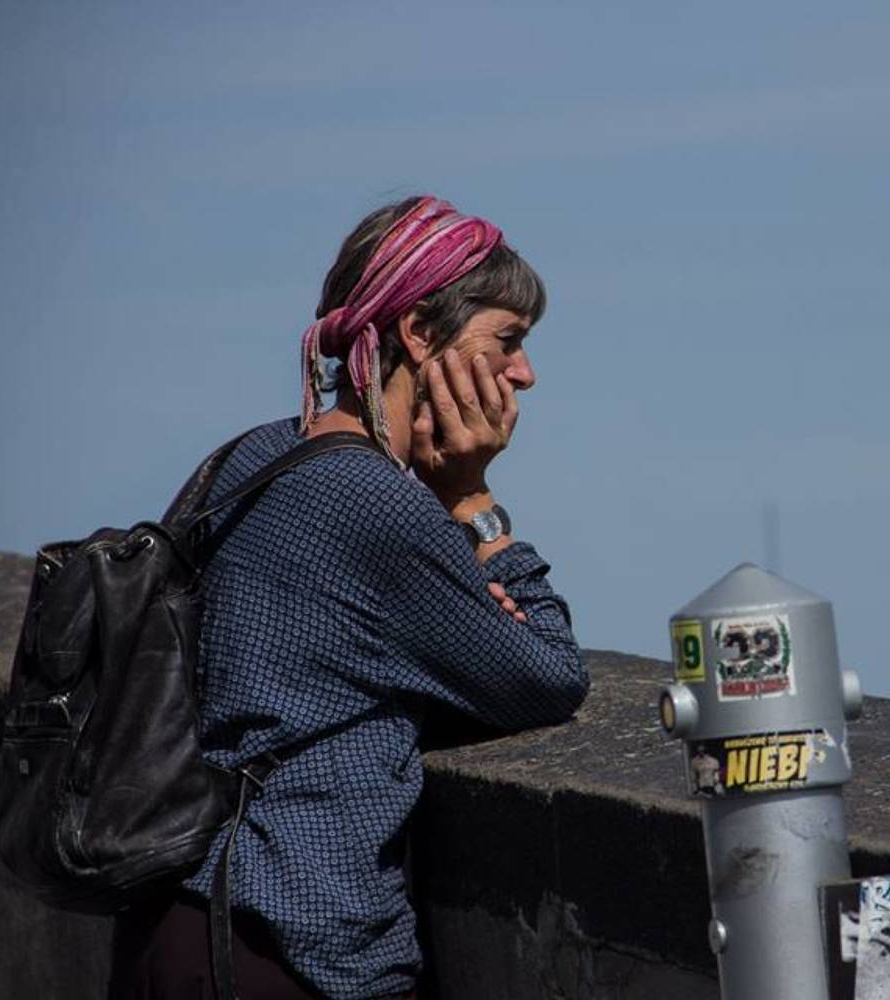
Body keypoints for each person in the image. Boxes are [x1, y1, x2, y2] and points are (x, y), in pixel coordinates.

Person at [107, 195, 590, 999]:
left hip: (169, 919)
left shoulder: (248, 458)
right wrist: (472, 501)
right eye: (507, 341)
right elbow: (548, 676)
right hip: (284, 939)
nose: (524, 373)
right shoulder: (376, 504)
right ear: (420, 333)